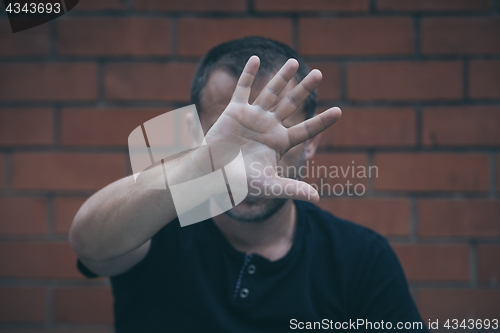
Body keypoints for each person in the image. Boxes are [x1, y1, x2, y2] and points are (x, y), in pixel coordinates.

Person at [70, 36, 428, 332]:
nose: (246, 162)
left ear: (311, 142)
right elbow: (89, 244)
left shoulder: (360, 258)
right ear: (196, 137)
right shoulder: (156, 225)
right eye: (229, 140)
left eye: (273, 138)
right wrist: (199, 167)